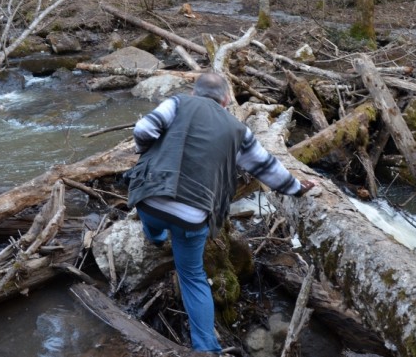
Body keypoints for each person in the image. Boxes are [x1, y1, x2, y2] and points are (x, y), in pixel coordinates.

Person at [126, 72, 315, 354]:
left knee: (152, 215)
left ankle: (154, 238)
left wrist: (149, 154)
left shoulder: (177, 103)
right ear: (226, 100)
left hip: (148, 199)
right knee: (192, 277)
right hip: (192, 216)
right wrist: (297, 188)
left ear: (194, 92)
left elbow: (143, 131)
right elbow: (266, 167)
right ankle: (207, 349)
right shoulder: (238, 130)